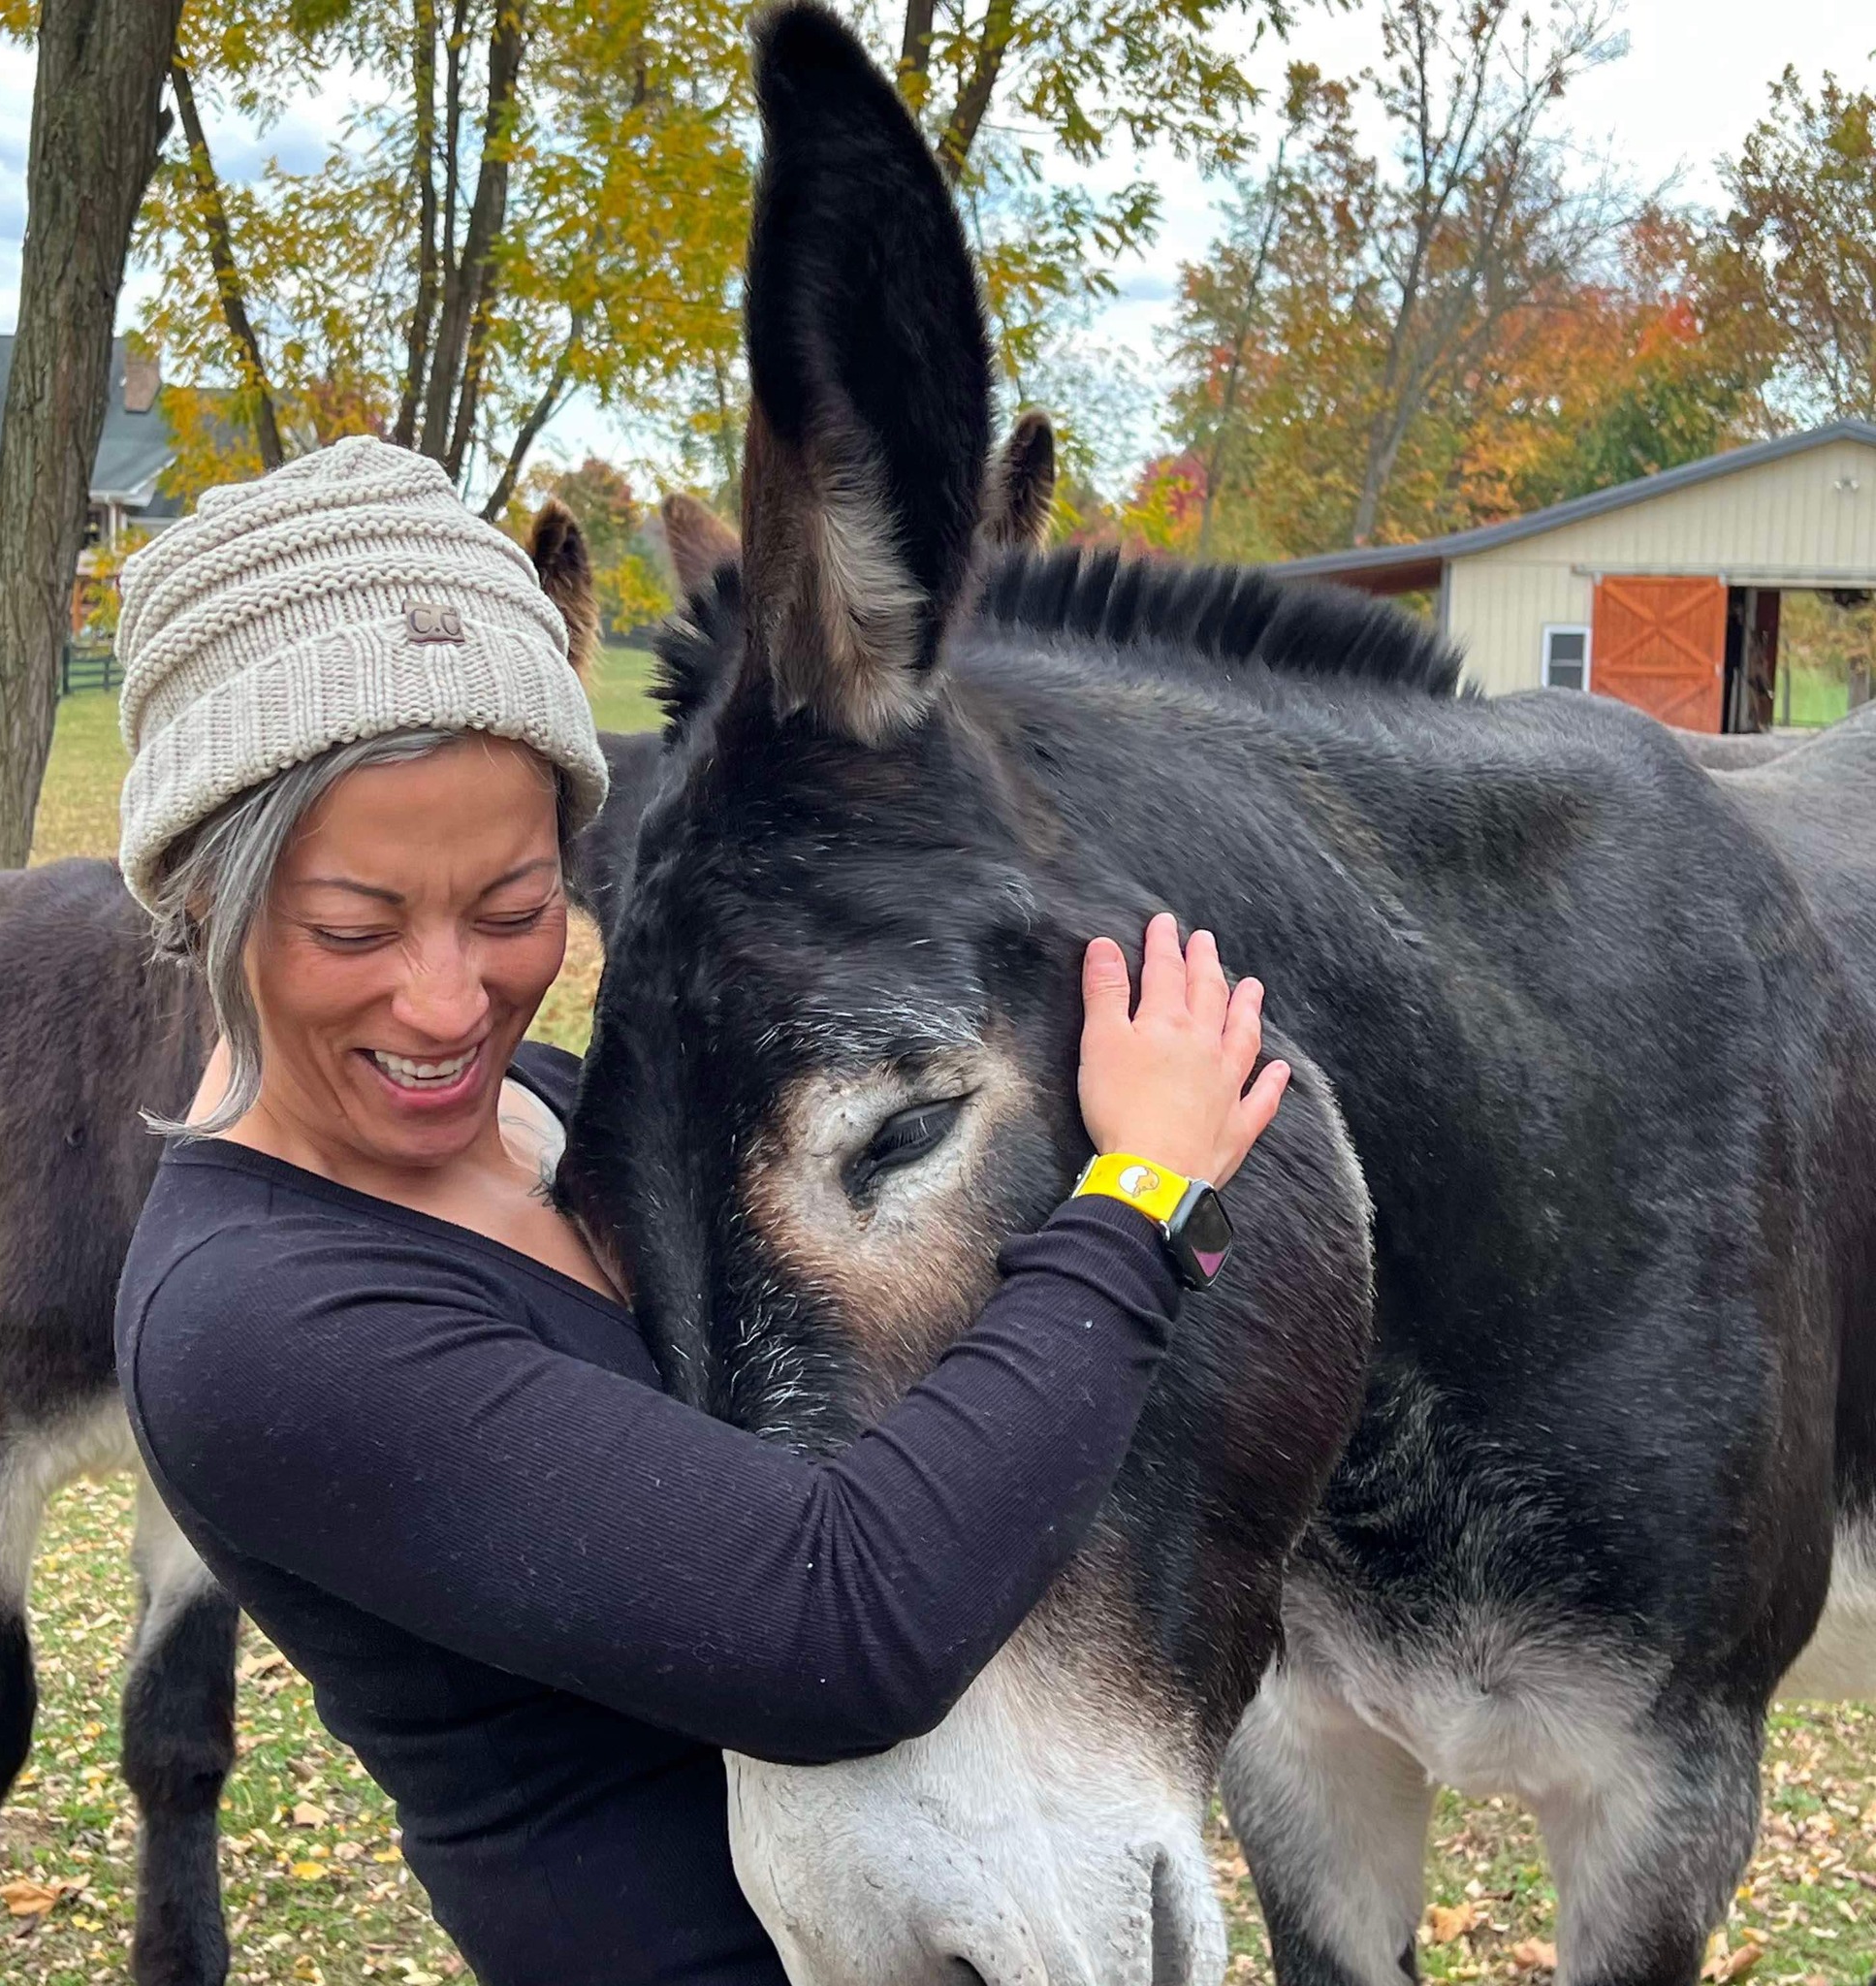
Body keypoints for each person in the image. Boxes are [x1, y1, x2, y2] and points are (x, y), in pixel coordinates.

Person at [113, 436, 1290, 1986]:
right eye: (355, 925)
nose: (450, 1000)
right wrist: (1141, 1200)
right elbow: (834, 1626)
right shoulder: (255, 1322)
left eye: (518, 907)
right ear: (199, 895)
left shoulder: (543, 1103)